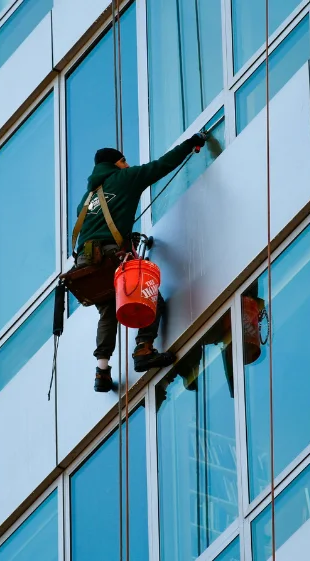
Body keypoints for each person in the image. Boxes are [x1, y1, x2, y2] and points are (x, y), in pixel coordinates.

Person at [72, 131, 208, 392]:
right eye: (126, 162)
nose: (129, 165)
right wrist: (192, 144)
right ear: (119, 162)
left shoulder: (85, 200)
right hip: (110, 257)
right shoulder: (125, 178)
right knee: (150, 297)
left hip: (86, 266)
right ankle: (143, 349)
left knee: (108, 311)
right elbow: (161, 166)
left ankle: (101, 372)